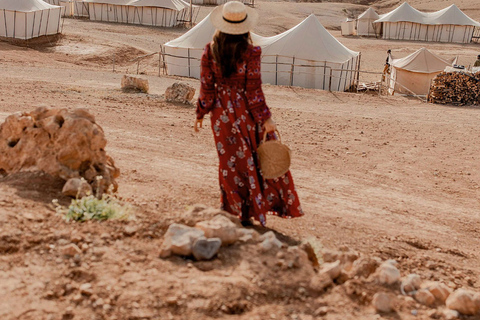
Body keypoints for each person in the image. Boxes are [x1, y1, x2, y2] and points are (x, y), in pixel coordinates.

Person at [194, 1, 304, 226]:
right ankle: (255, 209)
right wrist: (266, 119)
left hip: (221, 115)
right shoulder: (251, 52)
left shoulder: (210, 50)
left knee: (230, 163)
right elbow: (253, 90)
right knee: (254, 160)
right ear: (244, 26)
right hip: (246, 113)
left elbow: (207, 86)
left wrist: (201, 112)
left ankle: (234, 209)